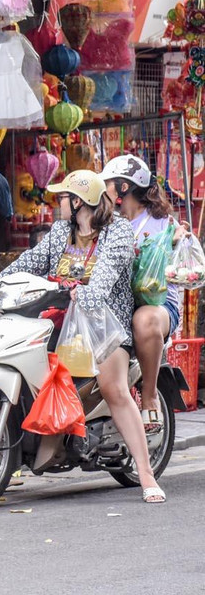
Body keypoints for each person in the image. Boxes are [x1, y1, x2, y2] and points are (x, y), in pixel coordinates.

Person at [1, 169, 164, 503]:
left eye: (62, 197)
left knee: (114, 388)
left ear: (78, 202)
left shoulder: (117, 231)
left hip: (106, 325)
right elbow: (30, 262)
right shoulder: (61, 231)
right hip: (60, 321)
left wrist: (83, 293)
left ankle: (146, 473)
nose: (57, 203)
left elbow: (104, 279)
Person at [102, 154, 183, 436]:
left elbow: (180, 262)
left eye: (108, 184)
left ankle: (149, 396)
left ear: (123, 188)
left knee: (144, 320)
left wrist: (178, 241)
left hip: (157, 304)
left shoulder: (162, 224)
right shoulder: (106, 224)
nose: (103, 190)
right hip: (115, 304)